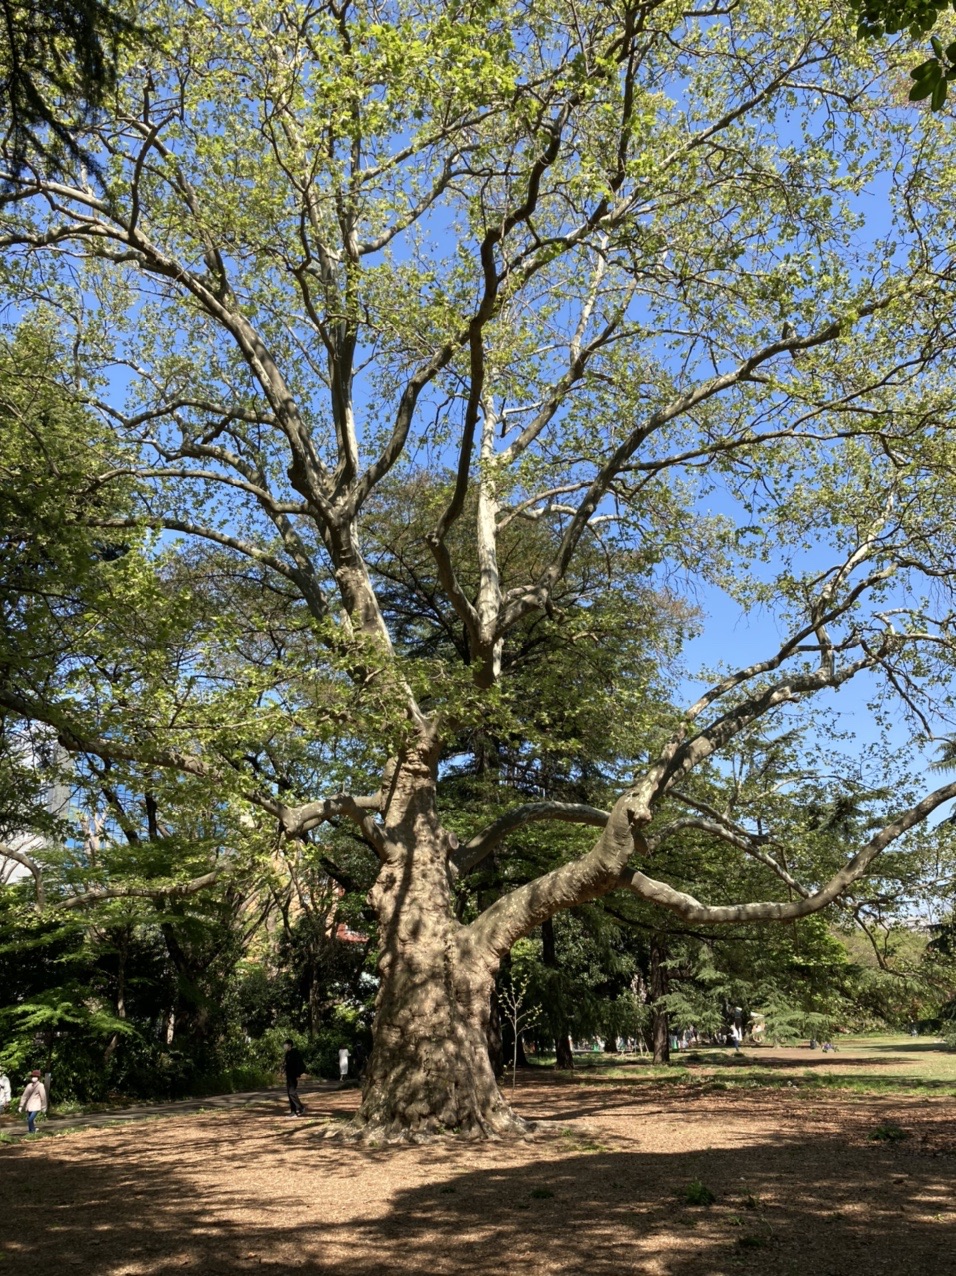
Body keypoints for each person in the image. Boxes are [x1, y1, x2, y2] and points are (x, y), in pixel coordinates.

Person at [282, 1040, 305, 1116]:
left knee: (292, 1092)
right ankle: (293, 1111)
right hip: (289, 1076)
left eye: (286, 1044)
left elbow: (300, 1064)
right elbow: (287, 1064)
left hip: (294, 1076)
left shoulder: (295, 1053)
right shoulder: (287, 1054)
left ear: (290, 1045)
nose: (284, 1046)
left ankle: (301, 1107)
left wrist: (298, 1075)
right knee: (289, 1093)